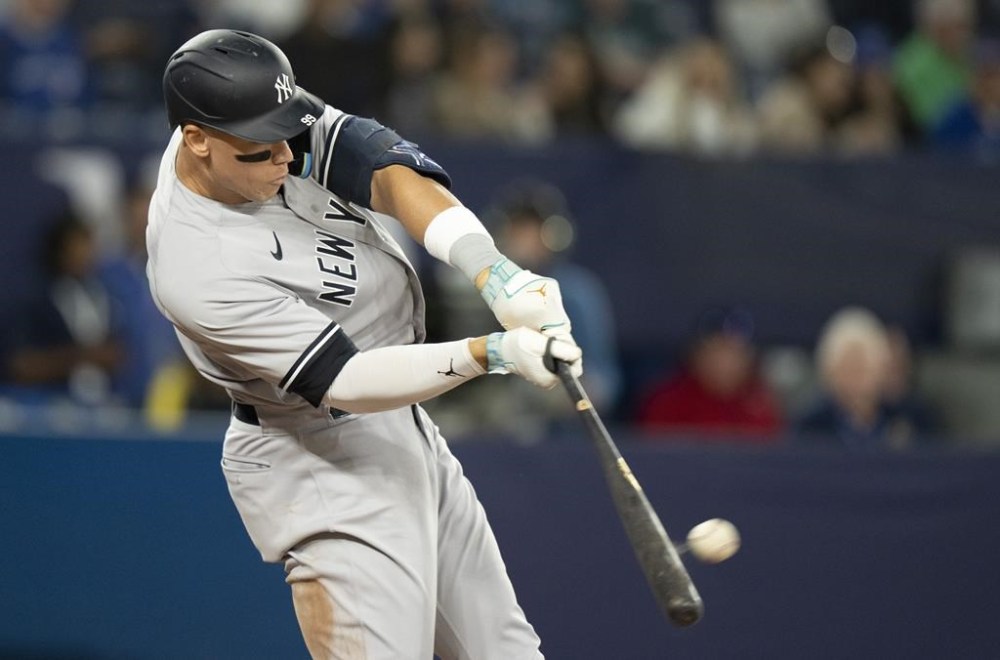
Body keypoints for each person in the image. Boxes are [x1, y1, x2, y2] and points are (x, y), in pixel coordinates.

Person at [149, 29, 582, 658]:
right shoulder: (195, 268)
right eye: (260, 153)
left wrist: (493, 271)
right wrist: (491, 353)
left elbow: (380, 167)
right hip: (319, 456)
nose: (285, 161)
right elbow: (346, 383)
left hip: (401, 423)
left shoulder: (243, 118)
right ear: (195, 140)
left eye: (287, 139)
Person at [634, 306, 783, 442]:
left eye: (733, 353)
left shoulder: (761, 406)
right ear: (696, 354)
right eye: (716, 351)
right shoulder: (666, 403)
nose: (724, 364)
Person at [794, 307, 934, 450]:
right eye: (847, 367)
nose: (856, 377)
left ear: (881, 367)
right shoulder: (810, 428)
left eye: (863, 366)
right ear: (829, 372)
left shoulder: (911, 419)